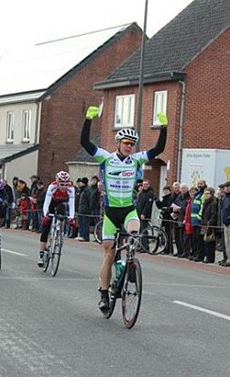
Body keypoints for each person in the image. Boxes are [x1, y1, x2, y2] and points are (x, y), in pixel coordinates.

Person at [80, 105, 167, 313]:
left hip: (128, 209)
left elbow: (158, 149)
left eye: (132, 144)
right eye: (126, 143)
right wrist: (88, 119)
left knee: (134, 234)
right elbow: (84, 142)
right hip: (110, 212)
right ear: (118, 143)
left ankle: (129, 264)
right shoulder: (105, 158)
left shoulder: (136, 160)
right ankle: (103, 292)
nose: (129, 146)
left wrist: (164, 126)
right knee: (109, 252)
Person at [37, 171, 76, 267]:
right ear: (57, 182)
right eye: (61, 184)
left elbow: (72, 204)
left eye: (66, 184)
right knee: (46, 228)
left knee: (62, 210)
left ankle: (59, 230)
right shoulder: (52, 187)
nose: (63, 186)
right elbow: (46, 203)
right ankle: (41, 254)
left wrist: (71, 218)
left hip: (62, 203)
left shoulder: (71, 189)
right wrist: (45, 215)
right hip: (52, 202)